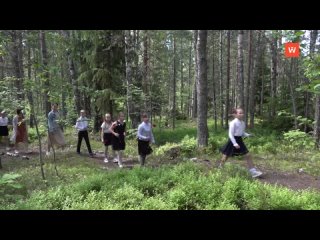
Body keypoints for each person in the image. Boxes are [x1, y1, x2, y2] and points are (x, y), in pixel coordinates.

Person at [218, 108, 263, 178]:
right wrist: (235, 143)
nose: (242, 114)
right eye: (240, 113)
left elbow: (242, 133)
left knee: (248, 155)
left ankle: (253, 171)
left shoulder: (243, 123)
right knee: (226, 155)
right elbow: (230, 134)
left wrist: (248, 135)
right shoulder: (233, 123)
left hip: (240, 140)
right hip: (233, 140)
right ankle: (220, 167)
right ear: (235, 114)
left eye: (242, 113)